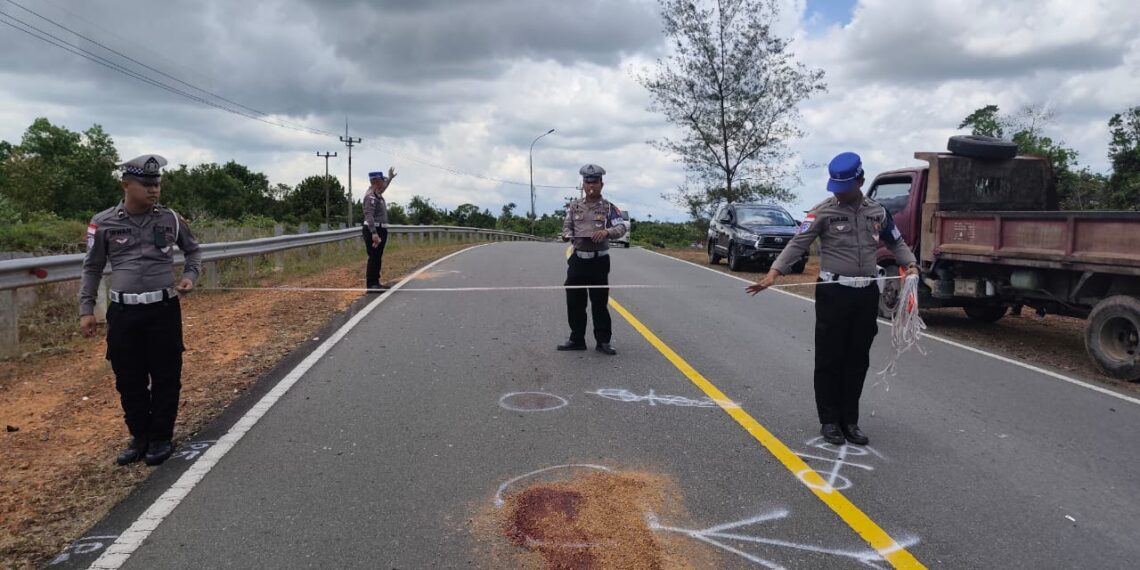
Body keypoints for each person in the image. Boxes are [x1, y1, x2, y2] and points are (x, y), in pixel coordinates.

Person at [746, 152, 919, 446]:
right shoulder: (821, 212)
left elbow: (895, 241)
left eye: (845, 186)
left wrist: (911, 264)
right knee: (829, 357)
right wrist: (774, 273)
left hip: (866, 293)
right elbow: (798, 242)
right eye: (835, 187)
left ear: (860, 181)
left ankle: (849, 420)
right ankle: (829, 421)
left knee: (857, 358)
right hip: (833, 293)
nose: (838, 193)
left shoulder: (877, 212)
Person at [78, 154, 202, 466]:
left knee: (166, 375)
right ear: (126, 185)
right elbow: (91, 268)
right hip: (123, 313)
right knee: (128, 378)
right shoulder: (103, 222)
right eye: (146, 184)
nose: (153, 190)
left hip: (163, 309)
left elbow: (193, 251)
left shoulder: (170, 218)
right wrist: (86, 309)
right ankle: (139, 437)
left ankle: (161, 438)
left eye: (157, 184)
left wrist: (189, 277)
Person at [557, 164, 627, 355]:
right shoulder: (574, 207)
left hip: (599, 261)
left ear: (601, 184)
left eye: (595, 182)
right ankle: (577, 338)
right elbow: (567, 226)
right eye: (587, 182)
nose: (591, 186)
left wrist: (606, 232)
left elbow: (621, 229)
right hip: (578, 259)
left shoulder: (609, 208)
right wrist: (566, 235)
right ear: (583, 184)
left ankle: (603, 341)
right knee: (574, 301)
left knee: (599, 302)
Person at [362, 167, 396, 292]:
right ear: (376, 181)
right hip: (374, 229)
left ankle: (376, 282)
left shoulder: (377, 193)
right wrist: (374, 233)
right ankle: (371, 284)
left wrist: (390, 178)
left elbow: (384, 187)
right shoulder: (371, 196)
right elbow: (368, 215)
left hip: (380, 229)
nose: (383, 182)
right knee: (374, 256)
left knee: (377, 256)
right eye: (382, 180)